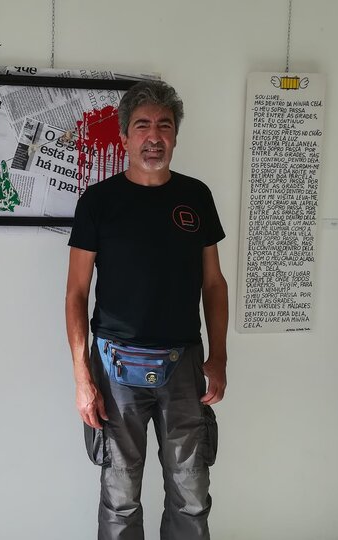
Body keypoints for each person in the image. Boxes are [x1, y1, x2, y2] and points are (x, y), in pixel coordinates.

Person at [65, 79, 228, 540]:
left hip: (185, 366)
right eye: (142, 126)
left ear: (175, 135)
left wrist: (219, 356)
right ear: (124, 137)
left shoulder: (196, 197)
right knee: (119, 499)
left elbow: (214, 283)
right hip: (114, 368)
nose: (153, 136)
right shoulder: (98, 202)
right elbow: (76, 292)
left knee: (191, 494)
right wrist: (82, 379)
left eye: (164, 125)